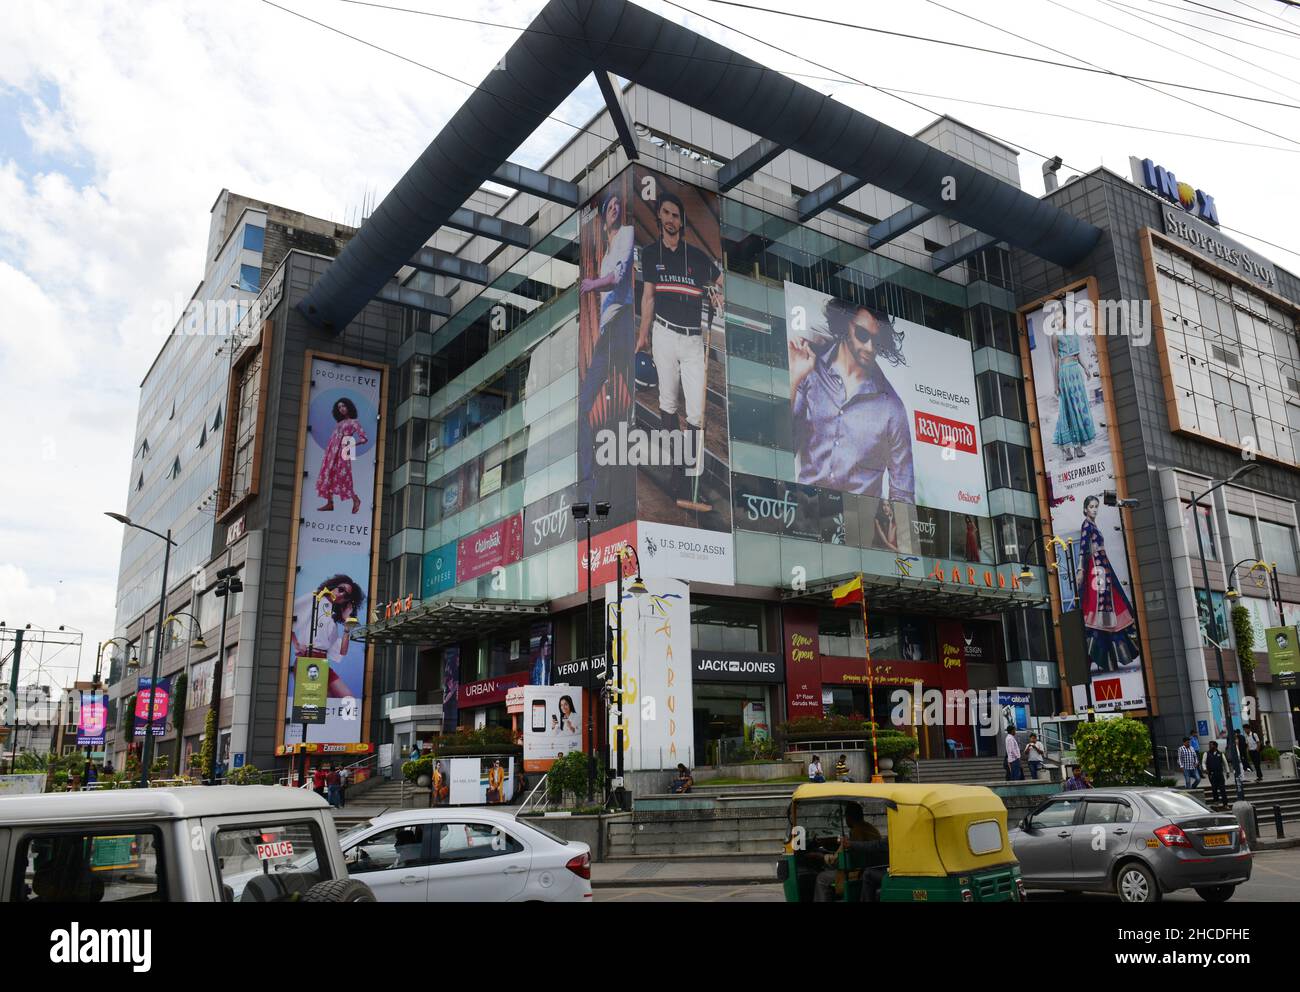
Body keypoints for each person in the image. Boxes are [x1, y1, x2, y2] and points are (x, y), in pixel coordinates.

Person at [635, 189, 724, 502]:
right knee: (668, 403)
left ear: (682, 221)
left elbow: (720, 284)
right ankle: (678, 471)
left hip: (693, 340)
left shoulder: (697, 258)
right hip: (663, 334)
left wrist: (717, 295)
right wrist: (643, 335)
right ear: (659, 216)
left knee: (697, 413)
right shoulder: (650, 254)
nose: (671, 219)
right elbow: (648, 297)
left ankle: (690, 468)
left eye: (676, 215)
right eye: (666, 213)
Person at [789, 297, 914, 500]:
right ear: (845, 325)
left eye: (877, 340)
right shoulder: (811, 371)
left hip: (857, 525)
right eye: (862, 335)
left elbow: (903, 493)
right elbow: (784, 446)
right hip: (805, 515)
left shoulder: (892, 408)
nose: (870, 347)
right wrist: (795, 378)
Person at [577, 189, 637, 500]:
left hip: (623, 324)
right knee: (584, 406)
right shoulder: (602, 255)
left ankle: (644, 469)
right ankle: (588, 486)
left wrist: (591, 284)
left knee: (635, 394)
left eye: (617, 204)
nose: (614, 208)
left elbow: (617, 278)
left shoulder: (627, 234)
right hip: (607, 331)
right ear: (602, 219)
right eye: (609, 207)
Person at [1078, 495, 1141, 674]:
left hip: (1102, 567)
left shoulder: (1093, 525)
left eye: (1096, 506)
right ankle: (1098, 656)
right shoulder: (1087, 526)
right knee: (1101, 611)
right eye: (1091, 506)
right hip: (1097, 569)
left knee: (1107, 611)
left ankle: (1107, 659)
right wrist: (1080, 570)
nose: (1095, 509)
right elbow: (1083, 549)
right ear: (1085, 509)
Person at [814, 804, 882, 902]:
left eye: (846, 816)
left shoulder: (856, 831)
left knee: (822, 878)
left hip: (856, 873)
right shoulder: (870, 828)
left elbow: (836, 861)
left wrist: (821, 857)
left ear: (849, 817)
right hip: (870, 867)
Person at [1049, 327, 1096, 462]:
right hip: (1065, 373)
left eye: (1060, 315)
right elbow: (1056, 359)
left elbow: (1077, 353)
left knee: (1080, 409)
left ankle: (1078, 446)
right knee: (1068, 409)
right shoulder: (1055, 335)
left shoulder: (1073, 330)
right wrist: (1056, 384)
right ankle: (1068, 447)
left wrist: (1085, 367)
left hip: (1076, 372)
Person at [316, 396, 369, 513]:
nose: (342, 409)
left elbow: (364, 438)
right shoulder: (339, 423)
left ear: (349, 407)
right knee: (328, 473)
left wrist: (350, 445)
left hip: (344, 450)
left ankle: (356, 499)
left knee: (344, 477)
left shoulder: (354, 422)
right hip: (332, 451)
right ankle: (330, 503)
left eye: (344, 406)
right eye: (339, 407)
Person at [1205, 740, 1228, 807]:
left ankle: (1225, 803)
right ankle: (1216, 802)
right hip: (1212, 774)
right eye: (1209, 745)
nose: (1209, 746)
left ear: (1215, 746)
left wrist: (1228, 772)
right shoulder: (1207, 753)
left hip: (1220, 774)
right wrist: (1205, 769)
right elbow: (1203, 762)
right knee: (1214, 789)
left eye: (1211, 745)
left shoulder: (1220, 754)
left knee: (1222, 789)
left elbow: (1225, 763)